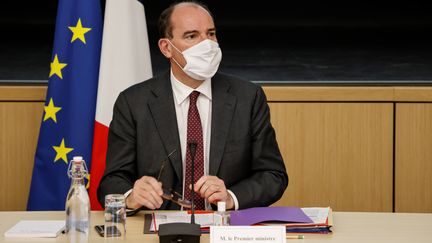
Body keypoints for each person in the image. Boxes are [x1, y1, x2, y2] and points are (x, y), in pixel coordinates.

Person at [97, 1, 288, 212]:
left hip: (224, 229)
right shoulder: (133, 102)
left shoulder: (248, 97)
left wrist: (232, 197)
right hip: (157, 230)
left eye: (211, 34)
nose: (207, 45)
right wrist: (131, 196)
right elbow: (111, 181)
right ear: (166, 48)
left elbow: (273, 175)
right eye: (192, 36)